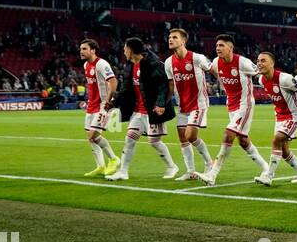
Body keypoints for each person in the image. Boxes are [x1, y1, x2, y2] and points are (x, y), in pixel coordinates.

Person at [197, 34, 272, 185]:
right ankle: (267, 169)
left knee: (228, 134)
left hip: (245, 104)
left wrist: (275, 88)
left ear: (230, 48)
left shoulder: (243, 62)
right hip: (231, 105)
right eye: (217, 45)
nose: (218, 48)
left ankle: (212, 175)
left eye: (222, 45)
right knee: (243, 141)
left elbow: (261, 72)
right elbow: (218, 75)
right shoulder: (217, 62)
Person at [103, 37, 178, 181]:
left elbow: (163, 86)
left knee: (154, 142)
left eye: (125, 49)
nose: (123, 52)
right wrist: (113, 102)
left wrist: (160, 104)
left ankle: (172, 166)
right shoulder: (130, 65)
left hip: (153, 110)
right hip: (137, 111)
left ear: (130, 50)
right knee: (129, 140)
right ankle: (123, 172)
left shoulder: (152, 63)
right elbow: (125, 89)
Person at [253, 51, 297, 186]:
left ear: (272, 63)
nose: (259, 63)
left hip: (294, 116)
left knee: (277, 139)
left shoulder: (285, 78)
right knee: (284, 150)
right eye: (258, 61)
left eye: (263, 61)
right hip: (279, 117)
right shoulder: (261, 79)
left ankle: (268, 176)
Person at [165, 28, 214, 181]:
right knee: (182, 138)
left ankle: (209, 163)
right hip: (182, 106)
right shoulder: (168, 62)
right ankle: (191, 171)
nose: (170, 39)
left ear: (183, 41)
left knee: (190, 135)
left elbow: (213, 69)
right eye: (169, 37)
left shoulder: (197, 58)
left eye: (174, 37)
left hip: (199, 104)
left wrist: (225, 85)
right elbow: (171, 86)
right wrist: (163, 103)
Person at [79, 39, 120, 177]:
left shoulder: (101, 64)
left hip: (103, 105)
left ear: (93, 50)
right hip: (91, 105)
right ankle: (100, 166)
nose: (81, 51)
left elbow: (113, 81)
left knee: (93, 135)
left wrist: (108, 101)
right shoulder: (86, 65)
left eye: (84, 49)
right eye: (81, 49)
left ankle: (114, 159)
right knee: (90, 138)